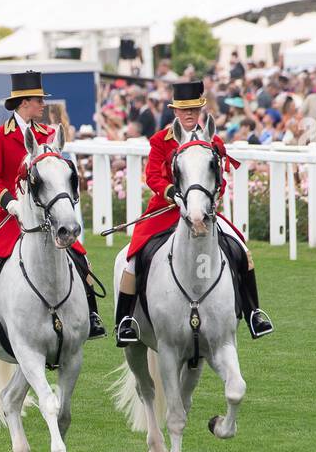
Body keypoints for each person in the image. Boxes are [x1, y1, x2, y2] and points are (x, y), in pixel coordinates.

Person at [115, 80, 273, 346]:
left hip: (204, 211)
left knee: (242, 250)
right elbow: (152, 176)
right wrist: (171, 194)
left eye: (193, 109)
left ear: (200, 110)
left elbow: (219, 179)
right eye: (183, 109)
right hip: (165, 211)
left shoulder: (213, 142)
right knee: (133, 258)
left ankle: (254, 312)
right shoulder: (160, 140)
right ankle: (126, 320)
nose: (188, 114)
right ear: (175, 111)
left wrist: (211, 197)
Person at [0, 71, 106, 348]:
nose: (43, 105)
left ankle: (93, 316)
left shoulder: (48, 134)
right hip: (7, 217)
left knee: (81, 259)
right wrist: (10, 203)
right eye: (39, 100)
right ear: (23, 102)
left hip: (44, 216)